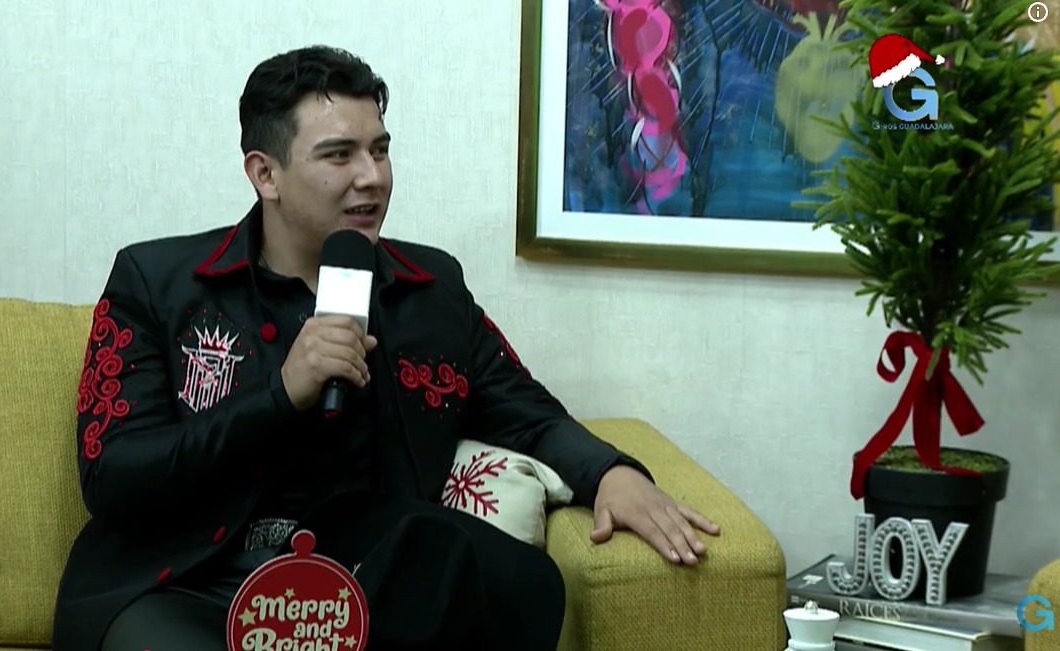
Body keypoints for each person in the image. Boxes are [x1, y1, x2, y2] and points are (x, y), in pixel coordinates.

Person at [52, 45, 720, 651]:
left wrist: (611, 474)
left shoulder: (429, 289)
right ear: (265, 174)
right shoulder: (159, 282)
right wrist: (279, 396)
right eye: (339, 155)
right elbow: (114, 476)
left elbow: (526, 411)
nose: (372, 177)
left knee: (506, 578)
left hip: (364, 586)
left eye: (380, 150)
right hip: (190, 585)